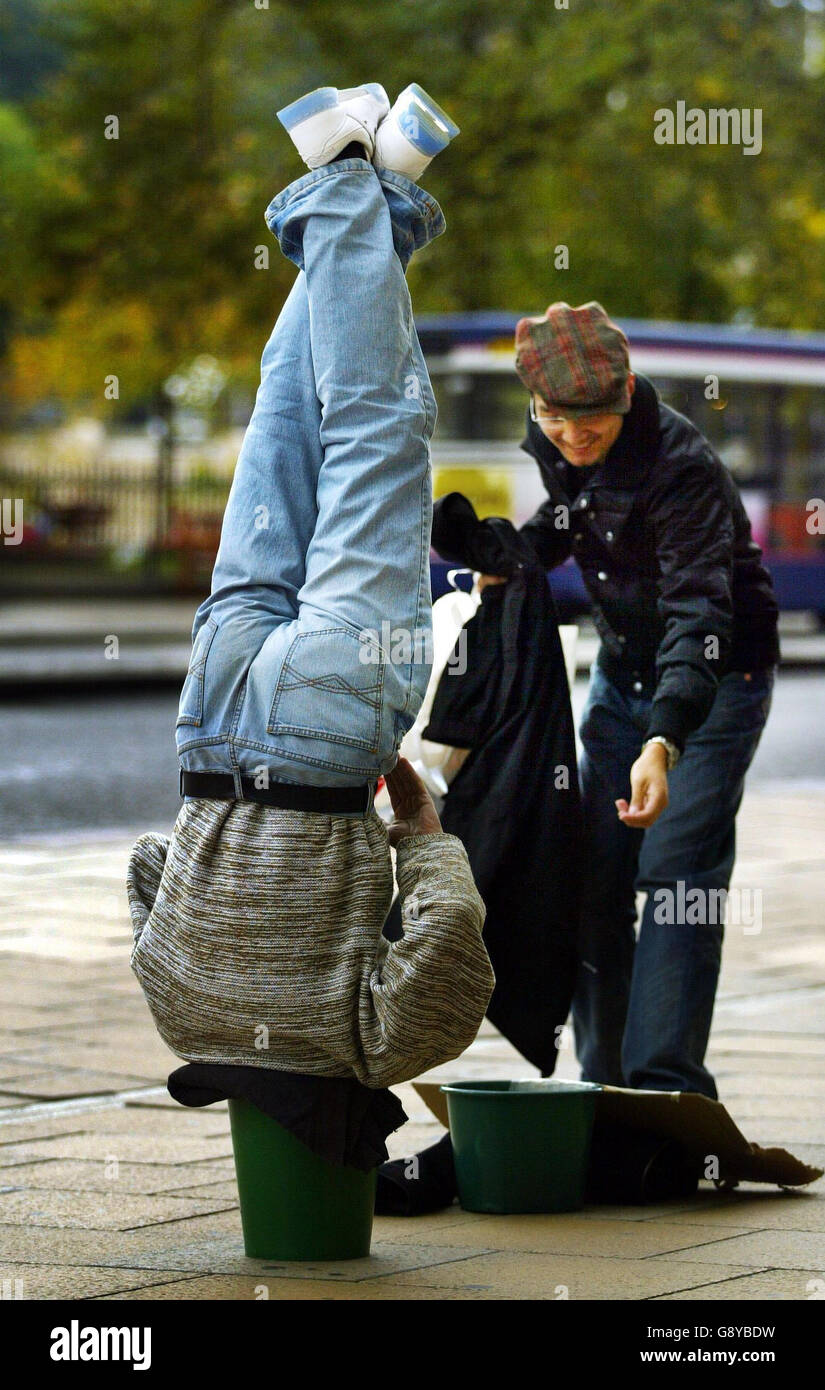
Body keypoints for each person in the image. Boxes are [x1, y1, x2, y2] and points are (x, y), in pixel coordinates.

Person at [127, 83, 494, 1098]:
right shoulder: (175, 1012)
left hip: (329, 743)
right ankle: (381, 191)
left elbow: (453, 946)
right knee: (282, 430)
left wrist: (421, 846)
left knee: (376, 431)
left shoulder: (367, 1052)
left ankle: (344, 187)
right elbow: (150, 867)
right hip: (211, 726)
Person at [482, 300, 779, 1099]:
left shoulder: (680, 468)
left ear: (625, 395)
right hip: (622, 677)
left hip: (712, 683)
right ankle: (602, 1089)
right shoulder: (564, 446)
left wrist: (664, 741)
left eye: (593, 429)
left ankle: (665, 1091)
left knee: (674, 876)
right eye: (555, 425)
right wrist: (511, 557)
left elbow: (700, 617)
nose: (573, 443)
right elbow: (568, 515)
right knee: (593, 878)